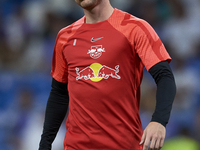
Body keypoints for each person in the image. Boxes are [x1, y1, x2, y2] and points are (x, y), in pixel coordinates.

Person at [39, 0, 176, 150]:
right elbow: (59, 93)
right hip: (76, 146)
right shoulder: (65, 37)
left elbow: (164, 76)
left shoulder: (135, 28)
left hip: (124, 144)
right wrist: (45, 144)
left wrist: (159, 121)